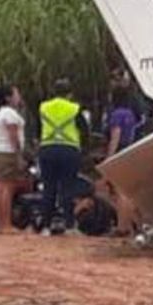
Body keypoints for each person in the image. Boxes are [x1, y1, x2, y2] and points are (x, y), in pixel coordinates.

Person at [38, 78, 88, 235]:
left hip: (47, 149)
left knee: (48, 188)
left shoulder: (43, 107)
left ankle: (45, 226)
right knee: (67, 187)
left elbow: (37, 129)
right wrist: (84, 149)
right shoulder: (74, 108)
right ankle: (69, 225)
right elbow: (84, 130)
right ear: (70, 94)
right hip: (69, 150)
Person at [0, 84, 28, 233]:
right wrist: (18, 155)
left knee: (1, 187)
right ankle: (5, 224)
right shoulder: (10, 114)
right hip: (8, 153)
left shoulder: (0, 113)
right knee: (7, 188)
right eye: (16, 94)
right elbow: (13, 136)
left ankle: (1, 223)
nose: (19, 97)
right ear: (8, 98)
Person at [104, 88, 139, 158]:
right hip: (128, 147)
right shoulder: (130, 113)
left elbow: (116, 134)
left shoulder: (116, 114)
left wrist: (110, 156)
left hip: (118, 149)